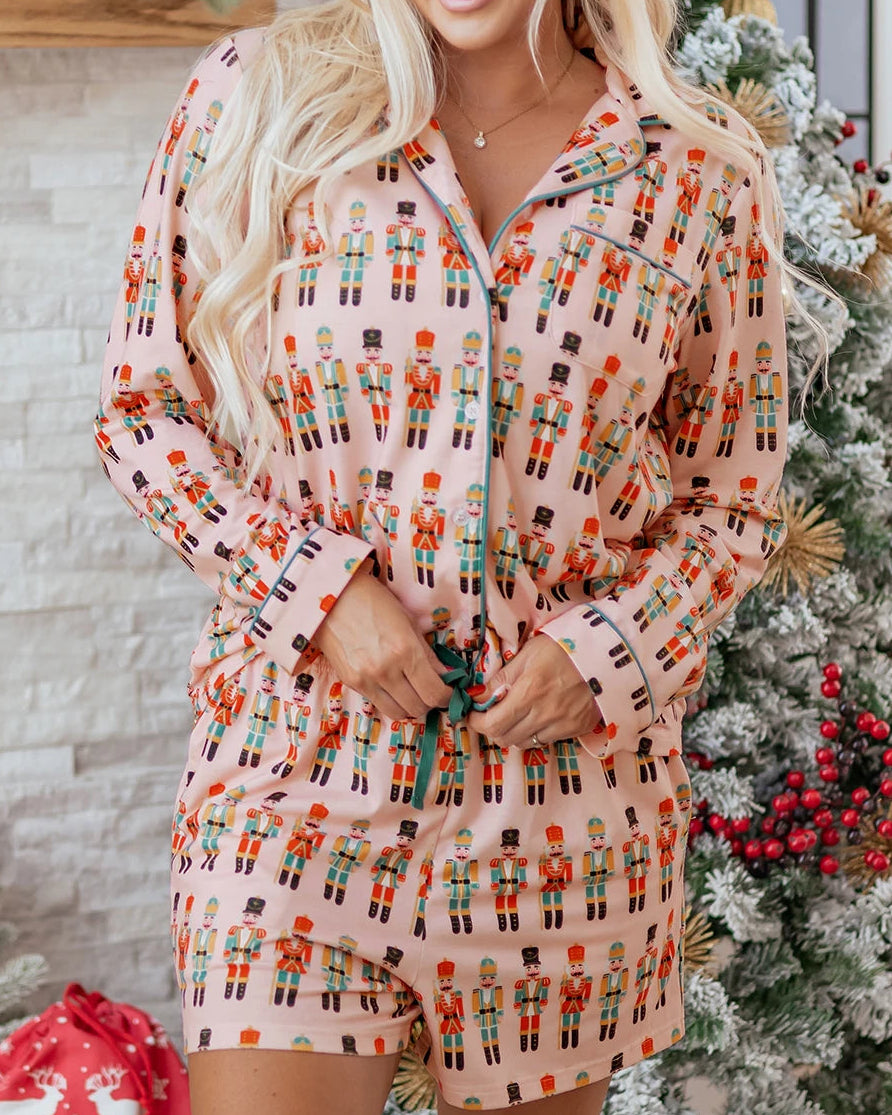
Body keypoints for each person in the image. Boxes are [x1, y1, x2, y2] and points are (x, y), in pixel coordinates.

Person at [96, 1, 795, 1111]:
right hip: (291, 783)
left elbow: (733, 503)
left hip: (565, 819)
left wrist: (608, 652)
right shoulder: (255, 93)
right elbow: (144, 412)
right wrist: (317, 594)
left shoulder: (695, 168)